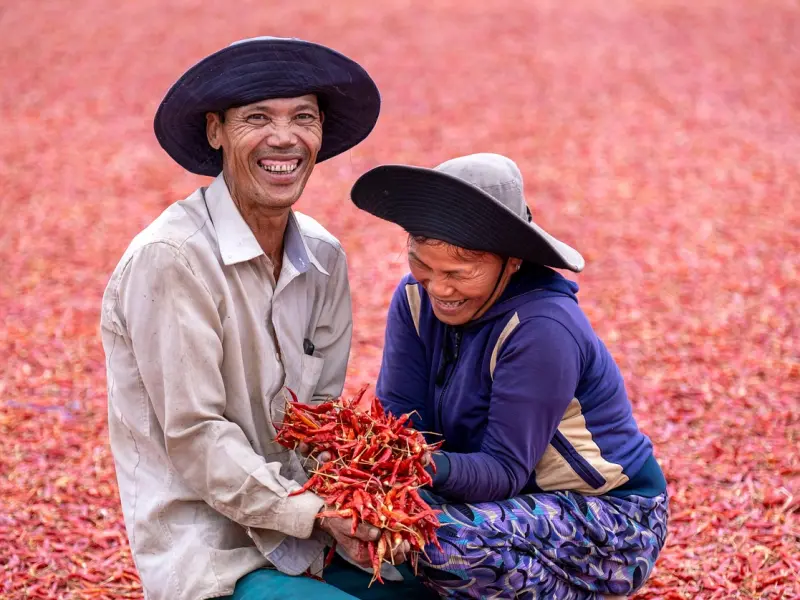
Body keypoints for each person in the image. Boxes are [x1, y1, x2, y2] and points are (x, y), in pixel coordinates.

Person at [100, 36, 434, 600]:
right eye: (257, 118)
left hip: (311, 537)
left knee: (448, 588)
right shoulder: (173, 260)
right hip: (213, 554)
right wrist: (318, 514)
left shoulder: (323, 258)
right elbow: (197, 436)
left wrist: (362, 506)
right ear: (216, 132)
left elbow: (320, 419)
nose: (284, 137)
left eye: (303, 117)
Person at [350, 153, 670, 599]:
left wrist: (414, 466)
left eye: (458, 274)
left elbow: (503, 472)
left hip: (608, 519)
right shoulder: (413, 300)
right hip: (483, 499)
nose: (439, 288)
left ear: (512, 261)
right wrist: (379, 468)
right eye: (423, 265)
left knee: (438, 542)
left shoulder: (543, 328)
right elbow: (402, 420)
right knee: (359, 519)